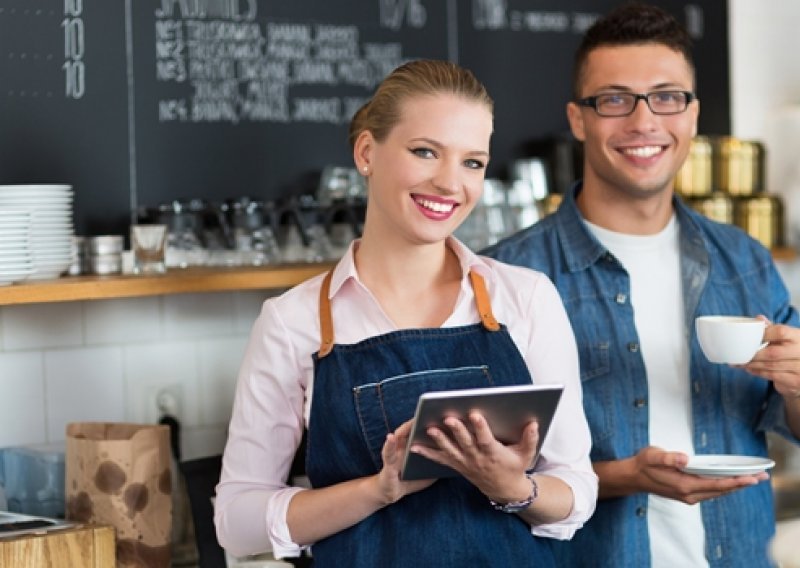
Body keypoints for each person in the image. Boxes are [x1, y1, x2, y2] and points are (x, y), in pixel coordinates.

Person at [214, 59, 597, 567]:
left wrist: (511, 486)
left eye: (472, 163)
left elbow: (576, 490)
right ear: (367, 153)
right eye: (424, 152)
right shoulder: (295, 322)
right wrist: (379, 490)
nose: (449, 183)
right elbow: (236, 524)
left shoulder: (524, 298)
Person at [483, 3, 800, 567]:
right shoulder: (508, 277)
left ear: (693, 114)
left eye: (667, 97)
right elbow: (489, 477)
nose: (644, 121)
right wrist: (625, 477)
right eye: (614, 99)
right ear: (578, 119)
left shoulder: (745, 260)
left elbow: (793, 426)